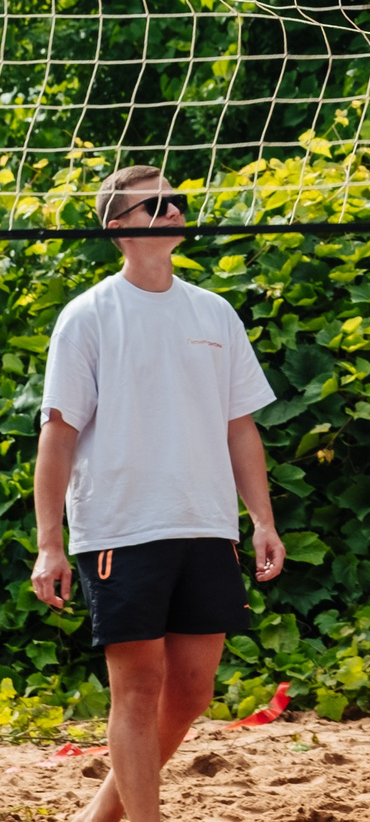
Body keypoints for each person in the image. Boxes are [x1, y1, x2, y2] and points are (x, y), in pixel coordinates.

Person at [30, 166, 286, 822]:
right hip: (120, 527)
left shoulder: (213, 310)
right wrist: (49, 545)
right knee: (138, 687)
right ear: (119, 224)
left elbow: (240, 426)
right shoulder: (87, 315)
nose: (174, 209)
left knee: (193, 689)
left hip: (204, 523)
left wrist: (262, 519)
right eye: (157, 202)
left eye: (178, 199)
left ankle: (98, 815)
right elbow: (57, 437)